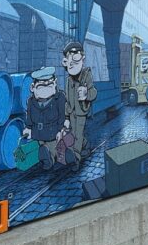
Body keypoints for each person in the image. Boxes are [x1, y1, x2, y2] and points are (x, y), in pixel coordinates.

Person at [22, 66, 73, 170]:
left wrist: (60, 129)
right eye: (41, 86)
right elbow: (29, 117)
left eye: (49, 85)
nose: (45, 89)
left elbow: (62, 116)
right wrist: (28, 128)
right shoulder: (31, 101)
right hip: (38, 132)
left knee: (54, 144)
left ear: (54, 84)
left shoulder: (59, 98)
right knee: (41, 147)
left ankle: (58, 155)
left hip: (53, 131)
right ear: (33, 87)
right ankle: (49, 157)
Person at [62, 41, 97, 169]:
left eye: (75, 58)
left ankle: (75, 158)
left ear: (82, 58)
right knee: (74, 133)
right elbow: (67, 99)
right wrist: (66, 117)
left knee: (77, 134)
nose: (72, 63)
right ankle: (85, 145)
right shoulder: (68, 79)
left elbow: (93, 92)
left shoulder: (86, 75)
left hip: (81, 111)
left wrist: (87, 93)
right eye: (69, 59)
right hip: (71, 112)